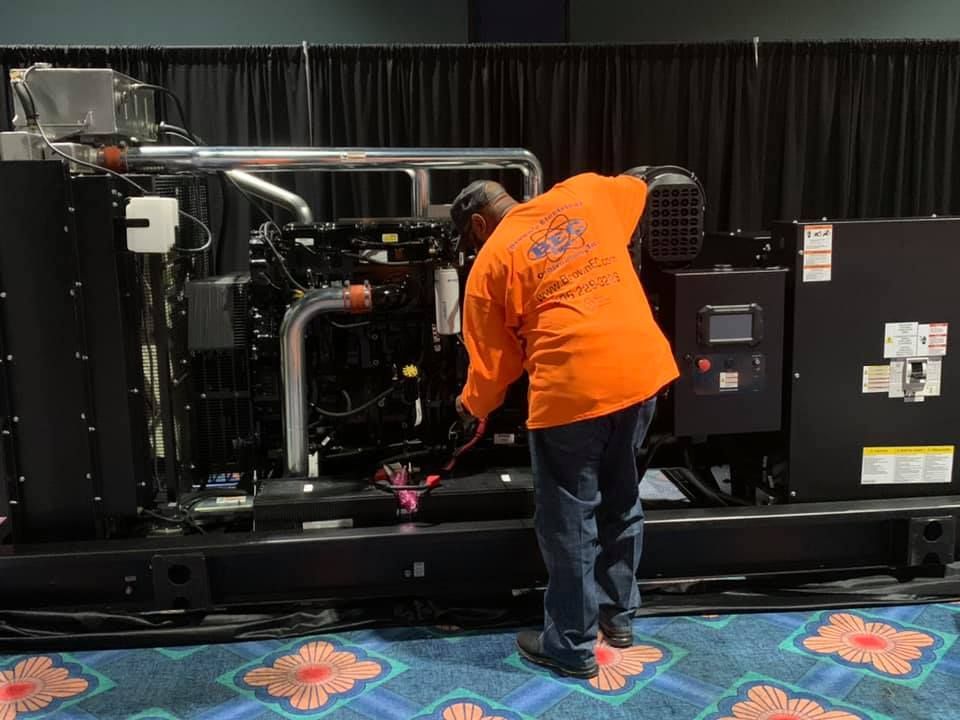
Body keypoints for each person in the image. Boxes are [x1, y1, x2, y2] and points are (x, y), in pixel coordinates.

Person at [450, 172, 678, 679]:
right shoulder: (584, 193)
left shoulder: (492, 260)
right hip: (642, 372)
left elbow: (492, 372)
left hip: (572, 390)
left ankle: (571, 646)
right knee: (622, 495)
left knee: (570, 518)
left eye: (470, 237)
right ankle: (618, 618)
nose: (473, 246)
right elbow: (639, 189)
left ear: (480, 223)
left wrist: (469, 407)